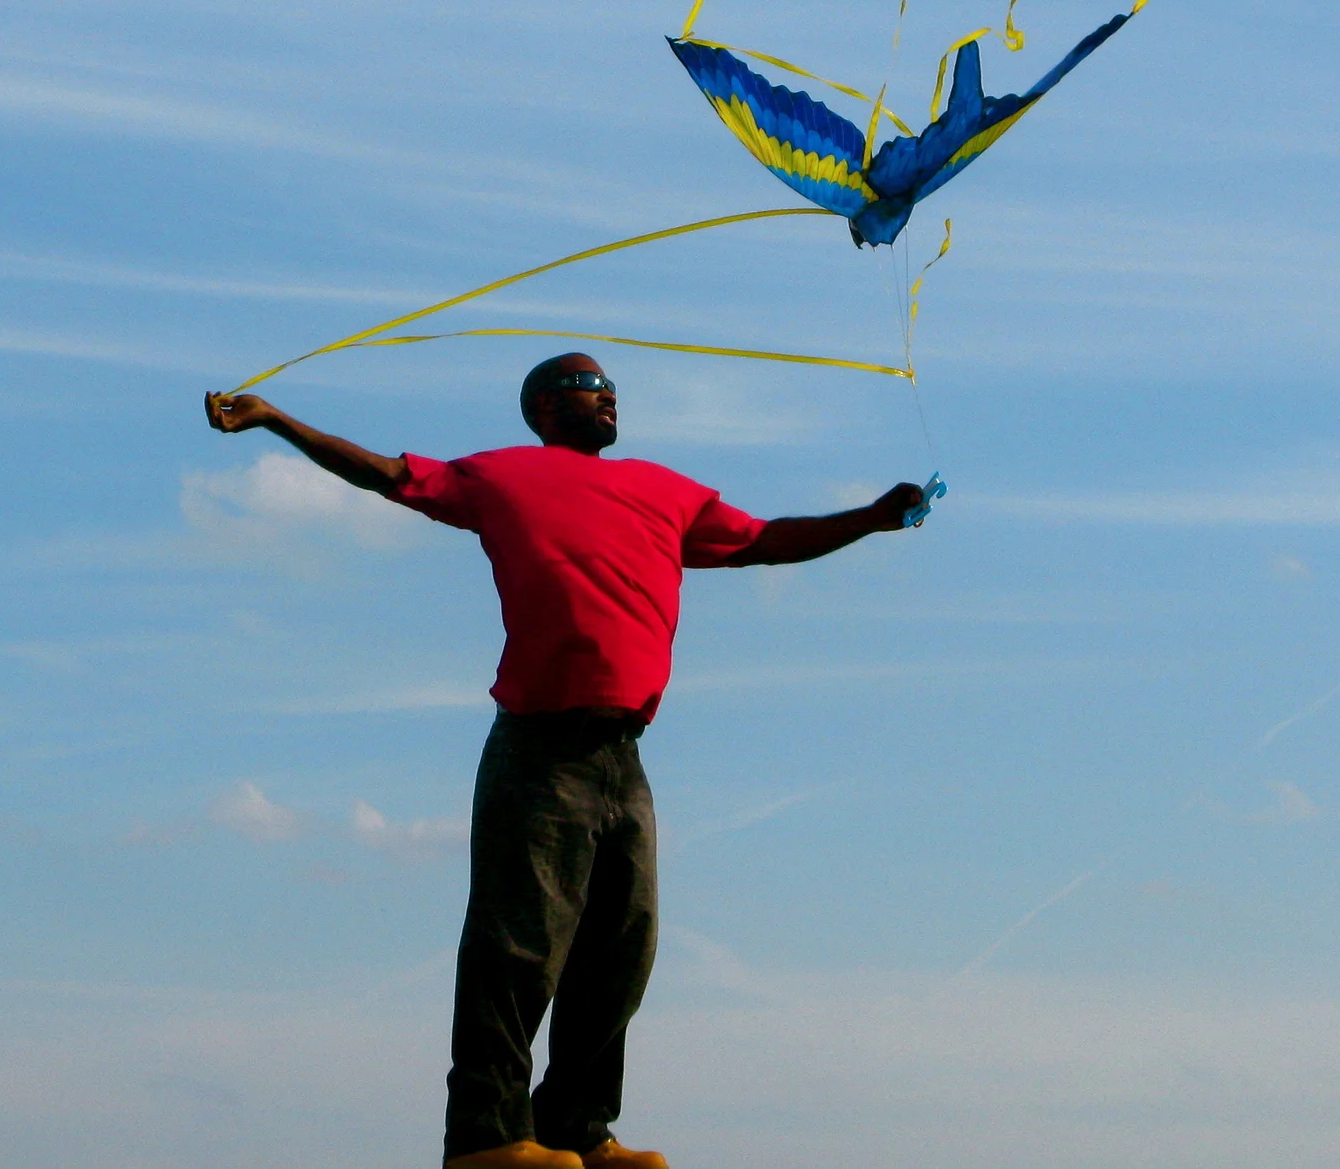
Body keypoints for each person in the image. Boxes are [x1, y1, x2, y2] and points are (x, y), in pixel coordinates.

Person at [205, 354, 924, 1169]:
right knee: (519, 943)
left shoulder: (665, 489)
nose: (608, 394)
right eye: (588, 384)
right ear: (544, 408)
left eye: (612, 387)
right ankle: (485, 1137)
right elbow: (384, 473)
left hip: (625, 755)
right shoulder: (501, 477)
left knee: (623, 949)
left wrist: (868, 518)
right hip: (539, 748)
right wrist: (276, 421)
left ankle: (576, 1128)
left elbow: (763, 540)